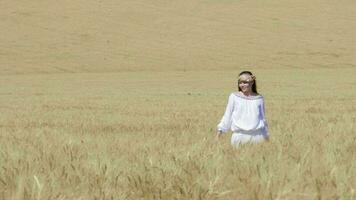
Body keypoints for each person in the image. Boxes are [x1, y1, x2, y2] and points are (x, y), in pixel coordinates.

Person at [216, 71, 269, 148]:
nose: (242, 85)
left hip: (257, 138)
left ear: (252, 82)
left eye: (245, 82)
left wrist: (267, 138)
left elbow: (263, 119)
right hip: (239, 138)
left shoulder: (259, 98)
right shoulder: (234, 97)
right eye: (240, 83)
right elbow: (227, 115)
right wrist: (219, 134)